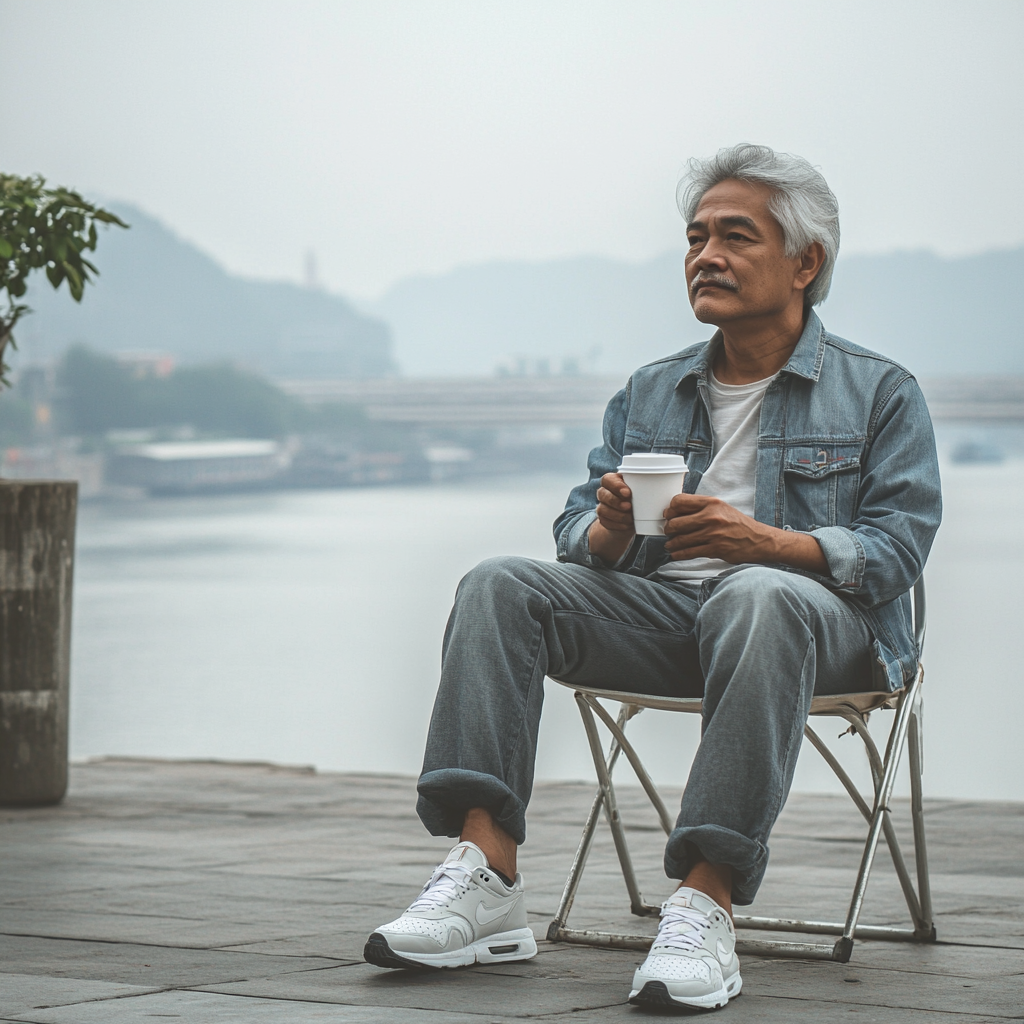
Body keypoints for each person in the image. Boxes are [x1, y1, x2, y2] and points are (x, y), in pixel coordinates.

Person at [363, 143, 942, 1012]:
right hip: (670, 627)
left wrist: (765, 544)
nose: (706, 255)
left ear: (805, 262)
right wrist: (602, 531)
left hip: (822, 639)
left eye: (736, 237)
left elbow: (897, 550)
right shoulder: (655, 389)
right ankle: (487, 878)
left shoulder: (880, 392)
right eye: (695, 237)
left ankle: (704, 903)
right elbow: (573, 535)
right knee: (499, 583)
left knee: (757, 594)